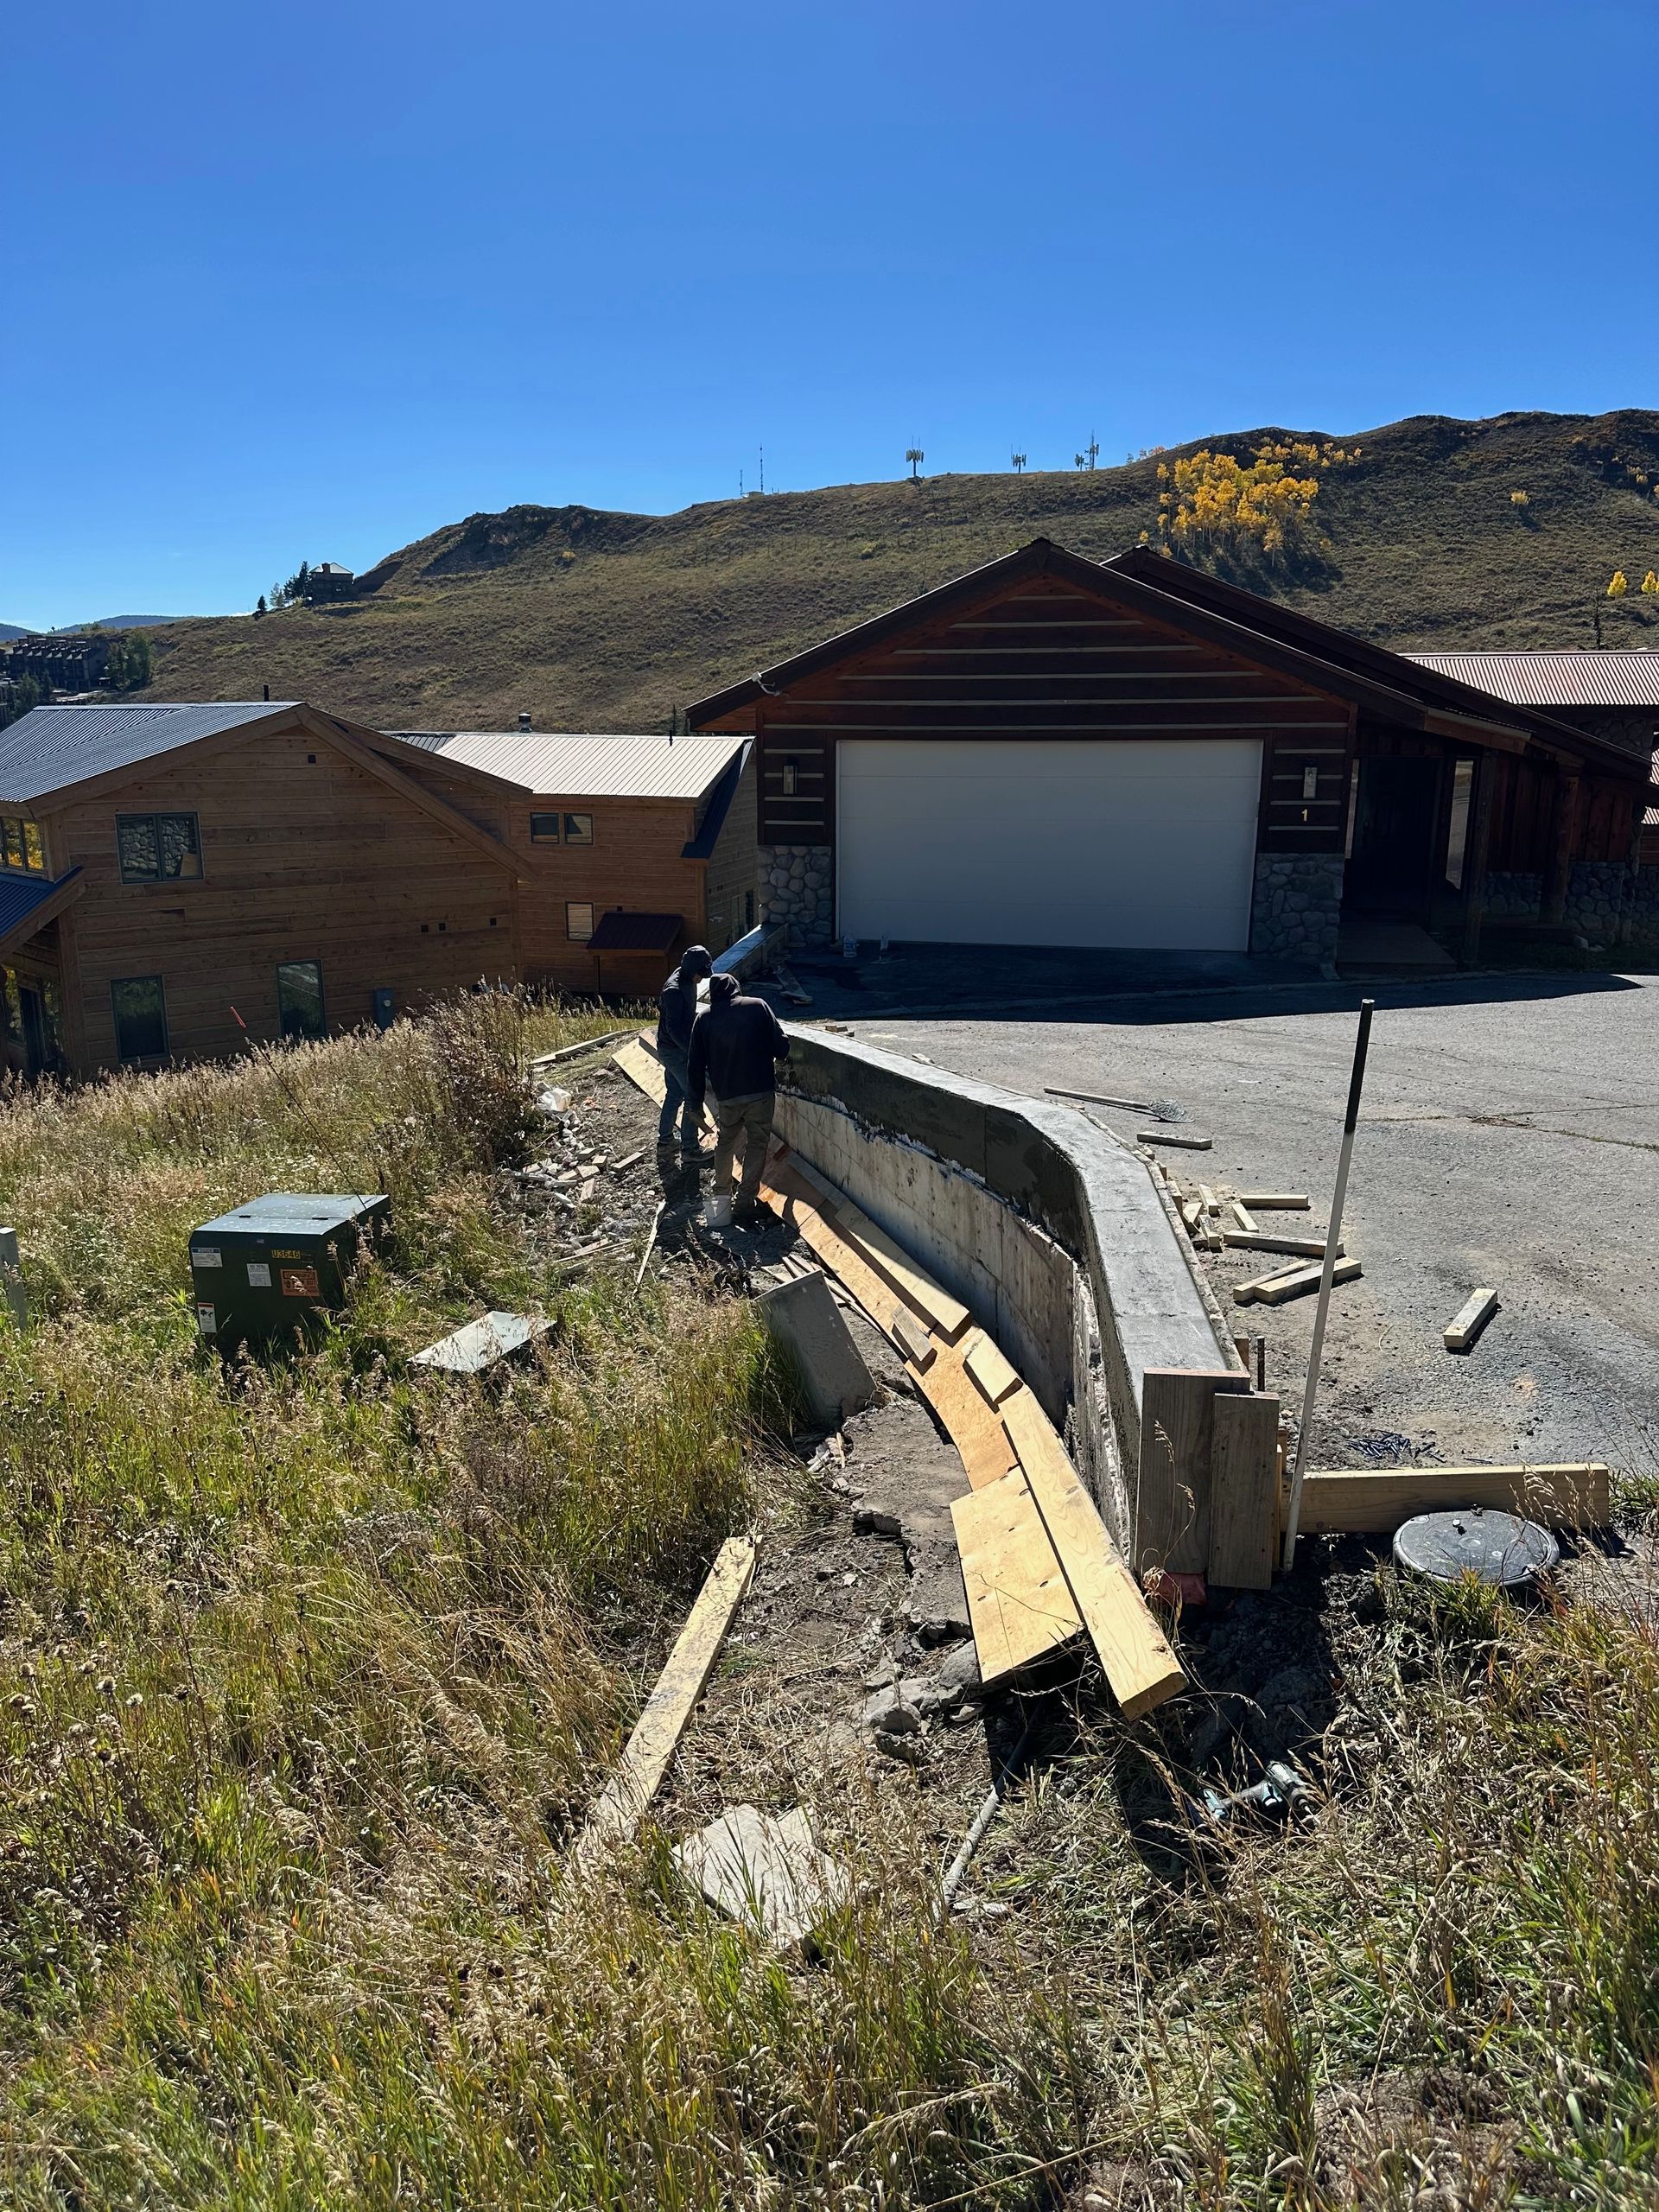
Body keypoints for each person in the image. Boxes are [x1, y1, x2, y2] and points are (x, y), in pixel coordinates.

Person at [686, 972, 790, 1217]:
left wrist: (695, 1104)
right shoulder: (757, 1006)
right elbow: (782, 1047)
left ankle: (721, 1200)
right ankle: (744, 1202)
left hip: (728, 1097)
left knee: (725, 1142)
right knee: (757, 1143)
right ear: (736, 988)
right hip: (760, 1092)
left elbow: (695, 1066)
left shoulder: (704, 1019)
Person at [655, 944, 712, 1154]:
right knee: (693, 1095)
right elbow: (673, 1029)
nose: (701, 979)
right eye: (700, 975)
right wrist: (693, 1053)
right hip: (673, 1050)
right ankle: (690, 1150)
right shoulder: (674, 990)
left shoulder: (687, 978)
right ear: (691, 969)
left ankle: (666, 1141)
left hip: (675, 1048)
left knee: (675, 1093)